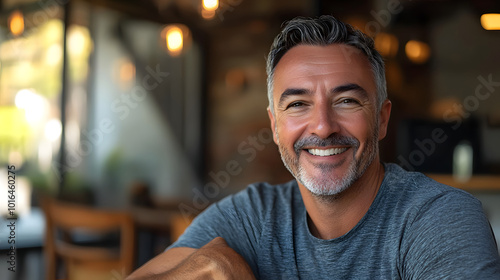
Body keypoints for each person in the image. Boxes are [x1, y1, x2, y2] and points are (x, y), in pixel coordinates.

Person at [127, 15, 500, 279]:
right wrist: (203, 267)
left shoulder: (439, 220)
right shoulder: (254, 217)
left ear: (382, 119)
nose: (322, 126)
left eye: (347, 101)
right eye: (297, 104)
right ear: (275, 126)